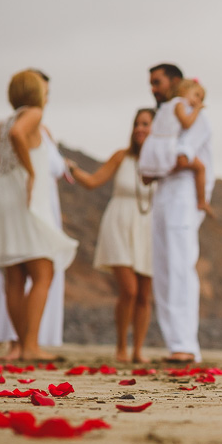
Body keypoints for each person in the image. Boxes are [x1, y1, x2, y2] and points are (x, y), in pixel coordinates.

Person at [0, 69, 78, 361]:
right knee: (42, 271)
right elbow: (18, 135)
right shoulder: (33, 114)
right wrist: (32, 171)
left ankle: (20, 345)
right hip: (25, 198)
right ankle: (31, 346)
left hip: (2, 197)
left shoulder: (2, 122)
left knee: (14, 274)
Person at [141, 62, 215, 363]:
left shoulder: (196, 118)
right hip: (163, 195)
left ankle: (187, 344)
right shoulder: (164, 115)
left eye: (157, 82)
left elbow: (184, 158)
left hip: (184, 196)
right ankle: (175, 343)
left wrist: (156, 162)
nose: (153, 88)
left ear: (174, 82)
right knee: (162, 268)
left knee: (181, 266)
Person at [70, 109, 157, 364]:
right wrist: (73, 170)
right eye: (137, 124)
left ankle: (138, 350)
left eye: (146, 124)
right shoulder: (122, 157)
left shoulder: (162, 162)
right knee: (128, 290)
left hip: (148, 227)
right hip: (119, 223)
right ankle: (121, 346)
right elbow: (93, 181)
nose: (140, 128)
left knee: (144, 294)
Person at [172, 79, 214, 218]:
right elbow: (186, 124)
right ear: (184, 91)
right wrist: (196, 110)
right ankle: (202, 201)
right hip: (178, 151)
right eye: (196, 95)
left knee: (201, 168)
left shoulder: (194, 113)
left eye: (201, 99)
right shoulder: (180, 105)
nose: (199, 101)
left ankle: (202, 200)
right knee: (201, 168)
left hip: (183, 152)